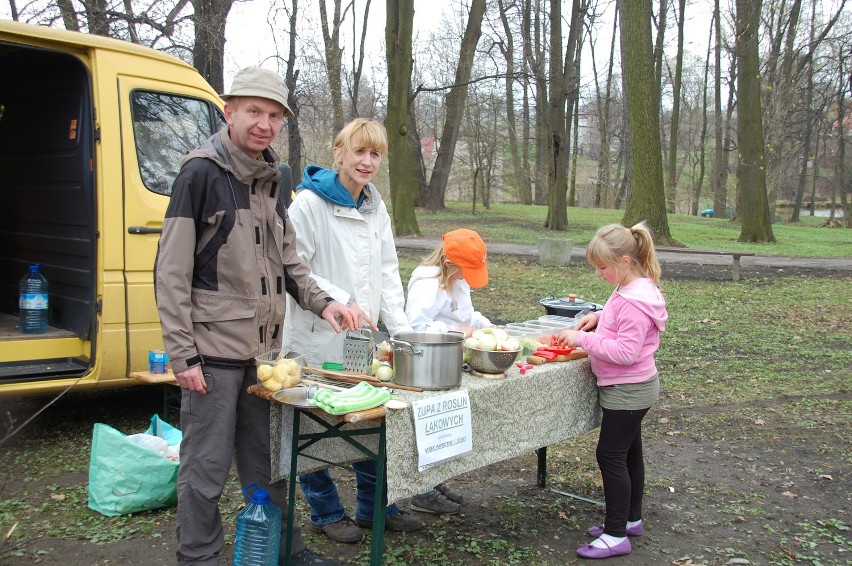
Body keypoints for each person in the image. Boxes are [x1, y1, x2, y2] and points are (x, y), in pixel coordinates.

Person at [155, 66, 355, 566]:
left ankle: (285, 551)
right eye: (253, 112)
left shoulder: (272, 179)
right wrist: (183, 356)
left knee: (268, 464)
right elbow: (171, 271)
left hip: (265, 355)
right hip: (213, 354)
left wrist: (323, 302)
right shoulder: (200, 173)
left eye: (273, 115)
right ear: (230, 112)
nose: (264, 124)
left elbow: (289, 261)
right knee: (205, 466)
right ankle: (198, 557)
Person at [282, 118, 422, 543]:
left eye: (375, 154)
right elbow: (294, 267)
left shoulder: (375, 206)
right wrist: (342, 298)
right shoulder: (307, 204)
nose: (367, 161)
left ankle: (373, 507)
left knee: (368, 416)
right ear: (338, 153)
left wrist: (402, 331)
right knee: (311, 425)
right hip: (316, 332)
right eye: (359, 151)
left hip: (363, 339)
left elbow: (387, 271)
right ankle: (325, 513)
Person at [555, 222, 668, 560]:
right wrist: (600, 316)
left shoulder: (634, 300)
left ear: (624, 262)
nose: (598, 273)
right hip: (633, 388)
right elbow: (622, 319)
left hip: (628, 390)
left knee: (610, 456)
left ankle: (616, 533)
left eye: (602, 267)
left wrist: (582, 339)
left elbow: (625, 352)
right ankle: (630, 519)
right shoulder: (634, 288)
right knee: (629, 453)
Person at [403, 228, 492, 515]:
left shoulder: (456, 281)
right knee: (426, 425)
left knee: (445, 425)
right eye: (467, 269)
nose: (469, 276)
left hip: (449, 363)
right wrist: (456, 331)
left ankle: (432, 480)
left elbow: (465, 315)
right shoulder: (427, 285)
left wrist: (484, 325)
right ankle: (422, 490)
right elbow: (414, 327)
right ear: (450, 263)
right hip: (427, 365)